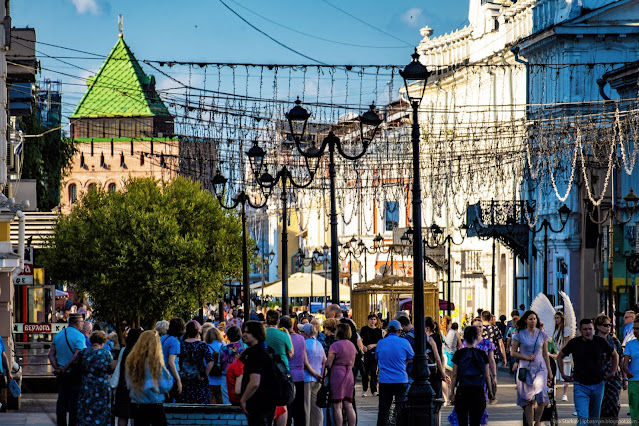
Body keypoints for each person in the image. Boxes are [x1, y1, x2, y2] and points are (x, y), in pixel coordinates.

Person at [558, 318, 618, 425]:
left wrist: (613, 372)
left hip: (598, 384)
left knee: (594, 419)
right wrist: (563, 374)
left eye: (590, 329)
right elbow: (560, 356)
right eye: (585, 329)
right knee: (583, 418)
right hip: (580, 385)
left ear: (594, 329)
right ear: (580, 331)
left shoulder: (599, 341)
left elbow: (615, 355)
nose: (588, 332)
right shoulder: (575, 343)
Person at [510, 310, 552, 426]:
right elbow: (513, 352)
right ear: (526, 320)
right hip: (525, 368)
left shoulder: (542, 334)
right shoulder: (519, 334)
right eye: (530, 319)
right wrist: (525, 357)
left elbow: (545, 354)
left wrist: (549, 371)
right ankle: (529, 423)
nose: (533, 321)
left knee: (541, 394)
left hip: (540, 367)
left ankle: (537, 421)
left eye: (534, 319)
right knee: (527, 399)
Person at [125, 330, 173, 426]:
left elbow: (129, 384)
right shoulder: (156, 364)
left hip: (137, 403)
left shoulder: (132, 362)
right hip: (154, 403)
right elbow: (165, 386)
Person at [448, 325, 492, 426]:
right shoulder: (482, 354)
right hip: (478, 391)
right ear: (476, 336)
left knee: (462, 421)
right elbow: (487, 375)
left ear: (464, 336)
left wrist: (451, 391)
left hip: (463, 391)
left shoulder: (459, 354)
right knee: (475, 422)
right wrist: (490, 392)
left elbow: (454, 375)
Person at [48, 313, 86, 426]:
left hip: (61, 375)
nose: (82, 325)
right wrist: (65, 368)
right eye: (82, 322)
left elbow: (51, 354)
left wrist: (57, 368)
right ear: (77, 322)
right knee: (75, 403)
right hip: (74, 374)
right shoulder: (80, 336)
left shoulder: (58, 335)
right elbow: (77, 355)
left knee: (62, 402)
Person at [375, 320, 413, 426]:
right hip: (400, 379)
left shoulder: (381, 343)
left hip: (385, 380)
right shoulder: (404, 342)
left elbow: (377, 357)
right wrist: (405, 361)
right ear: (399, 331)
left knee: (383, 409)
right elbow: (413, 357)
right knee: (400, 408)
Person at [239, 321, 277, 425]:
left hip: (257, 403)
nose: (244, 335)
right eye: (244, 332)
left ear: (256, 334)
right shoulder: (267, 350)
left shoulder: (254, 353)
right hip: (269, 402)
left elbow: (254, 382)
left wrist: (243, 399)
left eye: (248, 332)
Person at [77, 330, 113, 426]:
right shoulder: (106, 354)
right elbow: (110, 369)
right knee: (102, 411)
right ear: (103, 342)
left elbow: (78, 367)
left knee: (86, 410)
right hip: (102, 387)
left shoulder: (83, 352)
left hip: (87, 385)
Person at [265, 310, 293, 425]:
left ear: (266, 319)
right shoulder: (283, 335)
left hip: (266, 369)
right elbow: (291, 353)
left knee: (267, 401)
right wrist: (287, 335)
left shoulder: (263, 333)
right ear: (278, 321)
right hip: (282, 370)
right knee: (282, 402)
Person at [326, 323, 357, 426]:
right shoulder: (352, 345)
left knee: (337, 405)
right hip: (349, 374)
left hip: (338, 374)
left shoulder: (335, 345)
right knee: (349, 404)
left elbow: (329, 364)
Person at [594, 313, 623, 422]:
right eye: (605, 325)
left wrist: (623, 378)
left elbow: (620, 358)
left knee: (614, 404)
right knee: (599, 405)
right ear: (598, 326)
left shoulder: (614, 341)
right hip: (598, 377)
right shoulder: (593, 341)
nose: (608, 327)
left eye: (610, 325)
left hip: (614, 378)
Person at [178, 320, 215, 404]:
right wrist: (205, 374)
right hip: (199, 377)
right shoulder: (202, 345)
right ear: (198, 331)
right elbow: (210, 361)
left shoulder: (181, 344)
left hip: (185, 377)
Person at [113, 328, 142, 426]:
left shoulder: (123, 350)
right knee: (137, 415)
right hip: (136, 386)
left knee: (122, 415)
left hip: (122, 385)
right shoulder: (140, 352)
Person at [300, 323, 326, 426]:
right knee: (317, 407)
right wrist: (321, 375)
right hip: (318, 379)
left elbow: (305, 363)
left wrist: (314, 374)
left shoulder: (305, 344)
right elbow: (325, 361)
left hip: (307, 378)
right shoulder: (319, 344)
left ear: (305, 333)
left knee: (306, 406)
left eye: (302, 332)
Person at [220, 326, 246, 404]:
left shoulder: (223, 349)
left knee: (226, 400)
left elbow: (219, 364)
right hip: (241, 375)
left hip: (226, 375)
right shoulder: (243, 348)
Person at [161, 317, 184, 402]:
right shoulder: (175, 341)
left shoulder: (162, 338)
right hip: (171, 377)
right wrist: (178, 380)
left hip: (161, 375)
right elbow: (171, 362)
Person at [550, 311, 571, 401]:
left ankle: (565, 394)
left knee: (565, 373)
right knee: (554, 372)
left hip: (563, 353)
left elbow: (566, 342)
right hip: (556, 353)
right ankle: (553, 391)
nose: (556, 320)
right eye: (555, 318)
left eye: (558, 318)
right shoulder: (555, 329)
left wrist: (560, 350)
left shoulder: (565, 329)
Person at [360, 314, 383, 397]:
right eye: (371, 319)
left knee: (373, 371)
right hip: (365, 353)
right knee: (365, 372)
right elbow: (361, 340)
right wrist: (363, 346)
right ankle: (364, 389)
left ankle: (374, 390)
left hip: (374, 353)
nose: (372, 321)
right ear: (368, 320)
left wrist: (373, 345)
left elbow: (380, 342)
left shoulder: (378, 331)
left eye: (374, 319)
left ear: (376, 321)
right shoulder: (364, 329)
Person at [622, 315, 639, 420]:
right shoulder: (630, 344)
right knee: (634, 410)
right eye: (634, 328)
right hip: (634, 380)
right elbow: (625, 362)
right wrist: (626, 371)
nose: (635, 331)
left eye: (638, 329)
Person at [205, 327, 226, 404]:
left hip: (209, 379)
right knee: (221, 402)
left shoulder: (206, 346)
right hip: (221, 379)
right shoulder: (223, 345)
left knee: (208, 403)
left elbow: (205, 362)